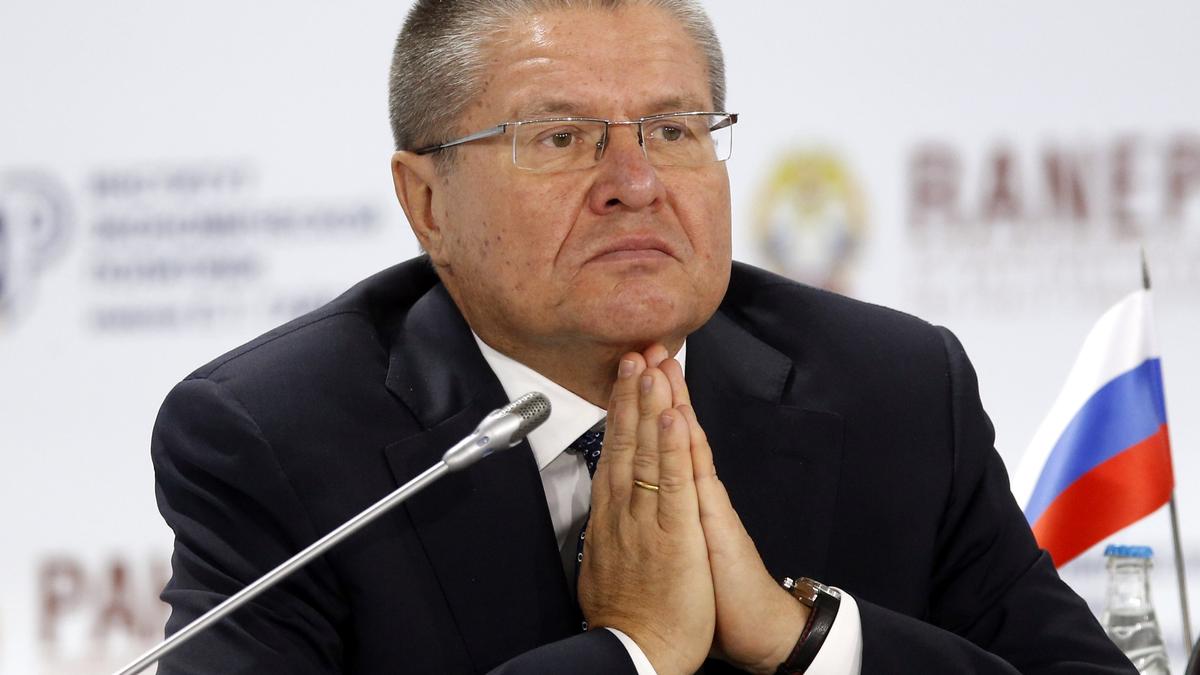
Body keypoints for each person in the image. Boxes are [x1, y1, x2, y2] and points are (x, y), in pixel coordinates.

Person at [150, 1, 1136, 673]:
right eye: (559, 138)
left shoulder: (896, 389)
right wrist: (631, 653)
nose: (636, 182)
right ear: (427, 203)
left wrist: (801, 638)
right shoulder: (277, 439)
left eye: (673, 130)